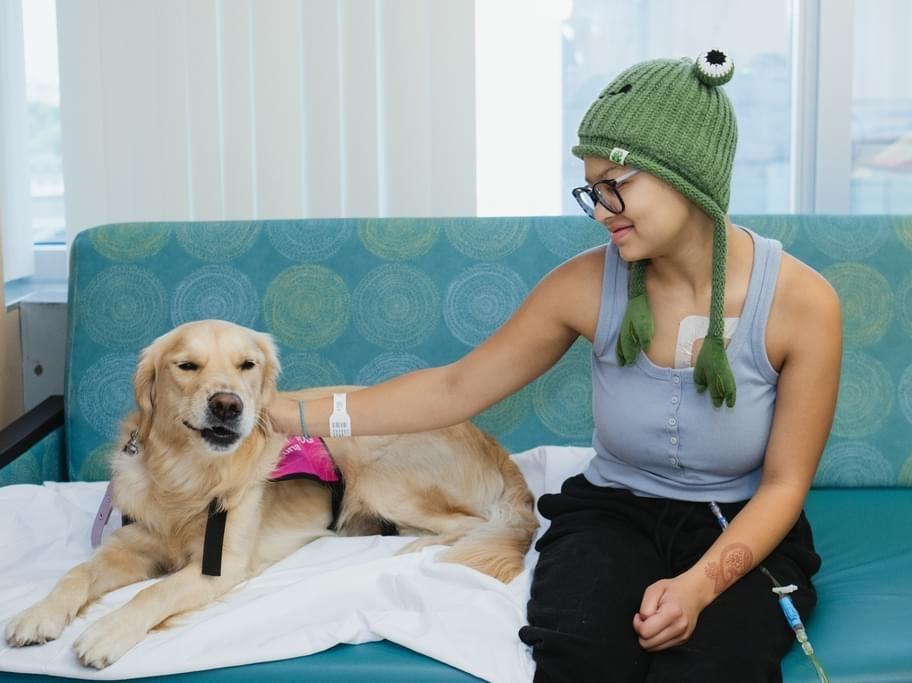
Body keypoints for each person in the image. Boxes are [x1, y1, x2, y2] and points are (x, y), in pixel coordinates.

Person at [268, 49, 842, 683]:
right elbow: (456, 388)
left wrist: (700, 587)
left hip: (738, 521)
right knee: (576, 655)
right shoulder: (584, 286)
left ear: (686, 174)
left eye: (615, 187)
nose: (600, 210)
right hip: (613, 511)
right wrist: (288, 413)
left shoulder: (802, 303)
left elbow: (785, 486)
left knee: (710, 668)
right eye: (591, 191)